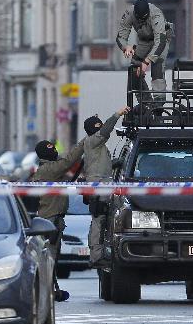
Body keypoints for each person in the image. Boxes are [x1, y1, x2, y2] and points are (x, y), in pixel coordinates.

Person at [30, 138, 86, 301]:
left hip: (54, 219)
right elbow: (68, 161)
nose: (54, 151)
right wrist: (84, 142)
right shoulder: (47, 170)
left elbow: (68, 168)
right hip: (49, 220)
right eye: (51, 149)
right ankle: (45, 291)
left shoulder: (50, 170)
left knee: (52, 257)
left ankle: (51, 289)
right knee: (49, 257)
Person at [82, 107, 131, 266]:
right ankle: (96, 256)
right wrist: (117, 114)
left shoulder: (98, 147)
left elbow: (101, 165)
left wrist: (116, 163)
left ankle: (102, 253)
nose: (102, 130)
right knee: (99, 220)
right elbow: (106, 130)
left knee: (104, 219)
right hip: (98, 188)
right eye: (99, 127)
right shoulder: (92, 141)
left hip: (103, 186)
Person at [117, 0, 173, 100]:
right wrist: (126, 47)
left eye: (144, 18)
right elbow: (121, 37)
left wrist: (147, 61)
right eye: (139, 19)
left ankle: (159, 100)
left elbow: (160, 42)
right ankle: (144, 100)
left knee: (157, 67)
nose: (142, 21)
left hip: (161, 40)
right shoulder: (129, 13)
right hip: (144, 40)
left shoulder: (156, 15)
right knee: (134, 67)